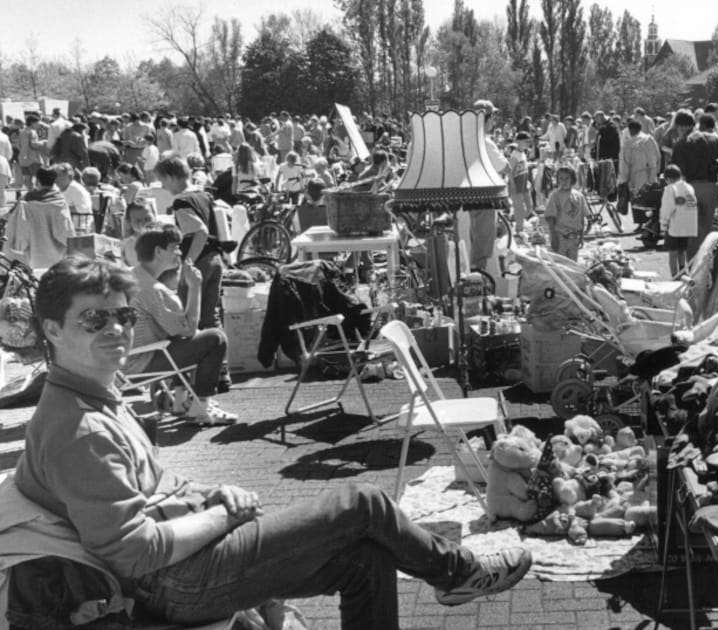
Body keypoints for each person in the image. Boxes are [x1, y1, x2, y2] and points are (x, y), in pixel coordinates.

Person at [13, 255, 534, 628]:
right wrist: (224, 515)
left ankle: (453, 574)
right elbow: (132, 553)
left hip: (176, 563)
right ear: (52, 330)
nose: (116, 330)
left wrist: (210, 490)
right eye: (93, 318)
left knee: (367, 560)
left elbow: (151, 483)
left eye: (124, 315)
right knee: (362, 501)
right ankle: (456, 573)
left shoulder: (95, 396)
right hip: (169, 582)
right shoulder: (78, 428)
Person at [128, 225, 239, 426]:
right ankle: (201, 406)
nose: (180, 252)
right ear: (159, 252)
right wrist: (195, 287)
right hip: (139, 364)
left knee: (188, 338)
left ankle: (182, 402)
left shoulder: (133, 276)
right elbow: (187, 328)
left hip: (127, 360)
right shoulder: (153, 289)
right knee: (215, 338)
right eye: (175, 248)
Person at [153, 156, 225, 332]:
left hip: (199, 263)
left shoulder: (181, 202)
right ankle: (221, 356)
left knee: (190, 317)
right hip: (215, 259)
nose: (163, 186)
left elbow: (201, 232)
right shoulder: (203, 194)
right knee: (211, 317)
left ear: (171, 177)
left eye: (163, 181)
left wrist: (187, 264)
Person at [670, 112, 718, 259]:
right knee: (706, 229)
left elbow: (676, 173)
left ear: (681, 127)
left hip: (690, 188)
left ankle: (692, 262)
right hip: (710, 188)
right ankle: (705, 262)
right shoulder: (714, 139)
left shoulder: (680, 145)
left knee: (690, 229)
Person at [470, 99, 507, 273]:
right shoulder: (486, 142)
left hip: (471, 195)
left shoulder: (469, 139)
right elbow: (505, 167)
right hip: (486, 196)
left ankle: (477, 278)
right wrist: (518, 152)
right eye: (492, 118)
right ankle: (479, 282)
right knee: (483, 244)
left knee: (477, 240)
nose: (494, 122)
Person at [659, 164, 698, 276]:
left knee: (672, 253)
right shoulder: (689, 187)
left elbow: (667, 208)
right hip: (688, 226)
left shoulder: (670, 189)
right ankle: (683, 272)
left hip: (675, 225)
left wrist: (663, 224)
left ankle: (674, 276)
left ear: (668, 179)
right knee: (682, 251)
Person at [544, 166, 587, 261]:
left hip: (575, 237)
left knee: (572, 264)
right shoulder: (555, 196)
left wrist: (582, 236)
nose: (564, 181)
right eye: (561, 178)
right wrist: (553, 238)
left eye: (567, 178)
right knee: (561, 265)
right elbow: (551, 218)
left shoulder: (579, 196)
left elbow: (582, 218)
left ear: (572, 179)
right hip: (560, 237)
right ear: (557, 180)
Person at [618, 119, 660, 200]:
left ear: (629, 130)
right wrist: (655, 173)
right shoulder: (650, 139)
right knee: (651, 203)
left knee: (637, 204)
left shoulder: (628, 144)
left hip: (634, 179)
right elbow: (658, 157)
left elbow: (624, 165)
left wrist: (623, 180)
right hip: (651, 176)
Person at [507, 132, 534, 236]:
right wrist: (512, 184)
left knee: (530, 207)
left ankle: (517, 220)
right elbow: (509, 171)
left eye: (528, 141)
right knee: (520, 209)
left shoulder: (523, 153)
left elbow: (523, 169)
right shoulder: (515, 155)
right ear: (518, 141)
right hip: (516, 185)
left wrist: (527, 181)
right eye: (525, 141)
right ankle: (519, 229)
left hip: (524, 184)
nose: (528, 143)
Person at [121, 200, 158, 265]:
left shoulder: (165, 239)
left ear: (154, 216)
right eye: (138, 221)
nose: (144, 224)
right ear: (129, 223)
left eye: (147, 219)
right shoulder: (128, 245)